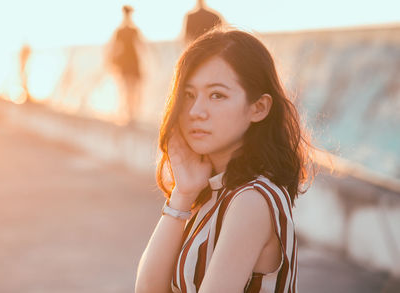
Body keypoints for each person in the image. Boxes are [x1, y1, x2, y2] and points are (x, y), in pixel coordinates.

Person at [135, 28, 314, 293]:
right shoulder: (210, 190)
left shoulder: (252, 199)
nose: (196, 112)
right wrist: (182, 193)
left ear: (259, 108)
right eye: (188, 95)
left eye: (217, 95)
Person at [108, 5, 143, 125]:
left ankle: (130, 115)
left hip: (129, 61)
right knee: (130, 89)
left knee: (129, 88)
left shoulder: (123, 31)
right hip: (130, 61)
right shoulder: (129, 30)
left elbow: (114, 48)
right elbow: (142, 45)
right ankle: (130, 115)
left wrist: (111, 60)